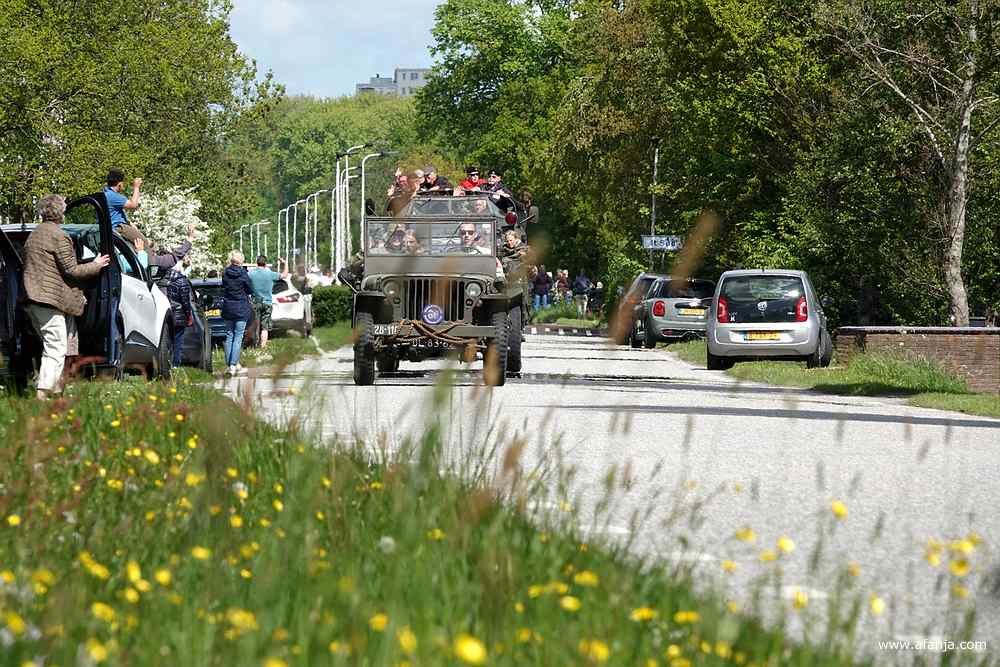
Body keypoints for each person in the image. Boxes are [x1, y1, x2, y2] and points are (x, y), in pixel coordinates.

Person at [23, 195, 110, 399]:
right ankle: (42, 394)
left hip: (34, 298)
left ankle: (55, 391)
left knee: (55, 345)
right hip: (48, 300)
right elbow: (72, 270)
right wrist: (96, 265)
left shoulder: (34, 235)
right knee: (56, 346)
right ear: (60, 213)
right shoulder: (59, 236)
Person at [221, 250, 253, 376]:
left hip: (228, 307)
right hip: (241, 307)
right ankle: (233, 365)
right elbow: (249, 289)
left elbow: (224, 286)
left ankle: (231, 364)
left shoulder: (225, 273)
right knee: (238, 336)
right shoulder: (243, 274)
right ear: (241, 261)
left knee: (229, 335)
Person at [248, 255, 288, 350]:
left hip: (255, 303)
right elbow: (284, 275)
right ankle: (263, 346)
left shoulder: (250, 274)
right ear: (265, 263)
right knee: (265, 327)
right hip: (267, 303)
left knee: (255, 325)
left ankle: (255, 345)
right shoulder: (270, 274)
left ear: (257, 263)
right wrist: (285, 263)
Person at [103, 168, 147, 244]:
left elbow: (116, 214)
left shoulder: (106, 194)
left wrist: (131, 225)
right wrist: (136, 187)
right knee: (144, 242)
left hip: (113, 227)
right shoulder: (113, 196)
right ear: (119, 184)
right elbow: (133, 205)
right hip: (118, 227)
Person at [163, 267, 194, 367]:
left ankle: (167, 362)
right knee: (178, 340)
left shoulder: (165, 280)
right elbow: (185, 301)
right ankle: (175, 363)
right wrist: (189, 315)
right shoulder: (182, 281)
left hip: (167, 313)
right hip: (179, 313)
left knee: (168, 339)